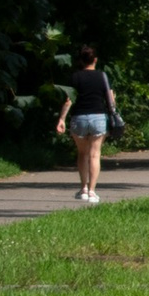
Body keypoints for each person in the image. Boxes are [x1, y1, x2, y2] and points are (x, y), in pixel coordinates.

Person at [54, 47, 120, 205]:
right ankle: (92, 191)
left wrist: (61, 119)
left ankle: (83, 188)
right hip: (98, 118)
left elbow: (69, 100)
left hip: (79, 118)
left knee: (82, 154)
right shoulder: (102, 76)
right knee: (95, 154)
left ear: (81, 60)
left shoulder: (75, 77)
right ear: (95, 60)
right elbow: (111, 100)